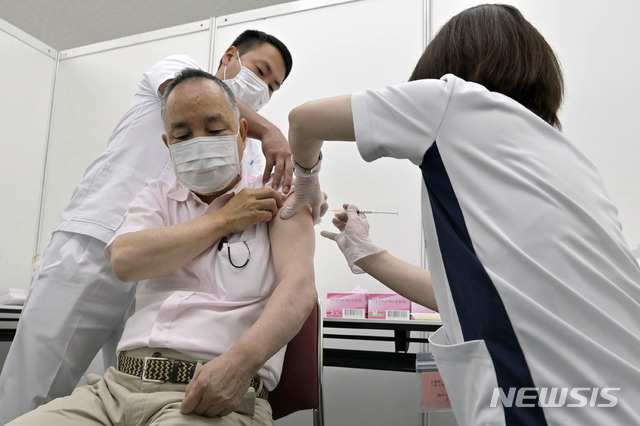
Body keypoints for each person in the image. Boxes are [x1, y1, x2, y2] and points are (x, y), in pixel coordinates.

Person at [282, 4, 640, 425]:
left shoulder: (452, 101)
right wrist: (365, 254)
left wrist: (306, 177)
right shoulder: (574, 167)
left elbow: (303, 120)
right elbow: (463, 297)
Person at [0, 29, 295, 424]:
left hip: (162, 274)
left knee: (130, 379)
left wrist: (303, 193)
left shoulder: (248, 150)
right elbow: (194, 96)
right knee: (38, 383)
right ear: (230, 56)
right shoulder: (175, 71)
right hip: (100, 239)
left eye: (273, 86)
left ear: (238, 135)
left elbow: (270, 202)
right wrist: (272, 130)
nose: (264, 88)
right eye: (261, 71)